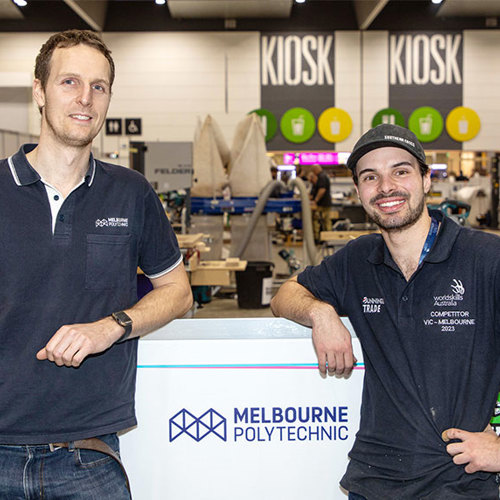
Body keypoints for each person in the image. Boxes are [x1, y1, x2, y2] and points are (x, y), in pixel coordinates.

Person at [0, 30, 193, 498]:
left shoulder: (131, 192)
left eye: (99, 86)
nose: (86, 98)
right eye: (69, 82)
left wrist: (110, 327)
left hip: (88, 455)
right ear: (39, 91)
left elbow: (179, 292)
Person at [271, 123, 500, 499]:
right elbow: (285, 295)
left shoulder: (485, 260)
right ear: (359, 191)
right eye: (370, 177)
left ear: (426, 180)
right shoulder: (358, 260)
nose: (386, 187)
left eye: (401, 171)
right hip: (373, 481)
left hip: (460, 484)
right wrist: (320, 313)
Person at [308, 164, 332, 241]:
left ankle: (324, 238)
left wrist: (315, 201)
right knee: (324, 221)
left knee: (321, 221)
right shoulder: (322, 176)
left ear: (316, 170)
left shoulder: (321, 177)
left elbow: (322, 190)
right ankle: (324, 238)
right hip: (324, 203)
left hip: (323, 204)